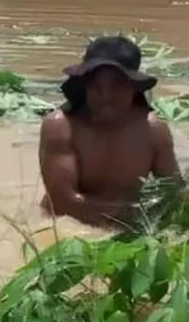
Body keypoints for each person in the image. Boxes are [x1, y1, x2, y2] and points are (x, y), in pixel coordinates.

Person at [39, 35, 180, 226]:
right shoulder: (61, 127)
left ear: (133, 87)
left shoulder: (154, 131)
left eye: (117, 86)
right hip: (67, 226)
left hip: (130, 227)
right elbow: (63, 203)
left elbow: (173, 193)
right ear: (84, 86)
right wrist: (139, 215)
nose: (106, 97)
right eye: (97, 86)